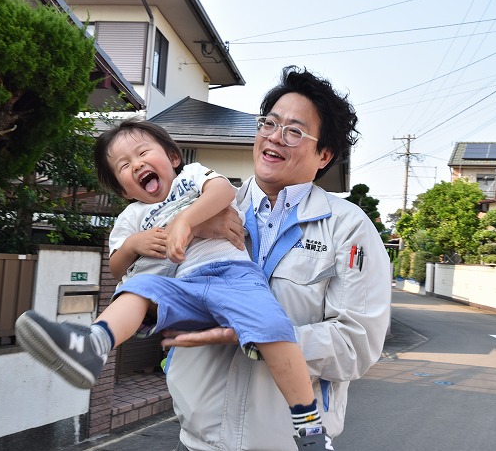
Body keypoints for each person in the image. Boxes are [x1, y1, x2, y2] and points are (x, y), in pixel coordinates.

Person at [14, 118, 335, 450]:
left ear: (172, 158)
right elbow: (115, 264)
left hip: (233, 275)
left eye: (142, 153)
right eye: (124, 165)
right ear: (124, 190)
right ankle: (93, 343)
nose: (136, 164)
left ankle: (309, 427)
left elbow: (224, 190)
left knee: (274, 328)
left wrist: (186, 219)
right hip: (185, 286)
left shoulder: (192, 178)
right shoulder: (132, 216)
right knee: (135, 289)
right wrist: (133, 245)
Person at [160, 65, 392, 451]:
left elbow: (356, 345)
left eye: (295, 131)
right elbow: (146, 284)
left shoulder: (349, 227)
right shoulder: (207, 206)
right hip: (197, 440)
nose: (274, 138)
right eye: (269, 123)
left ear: (324, 154)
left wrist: (258, 337)